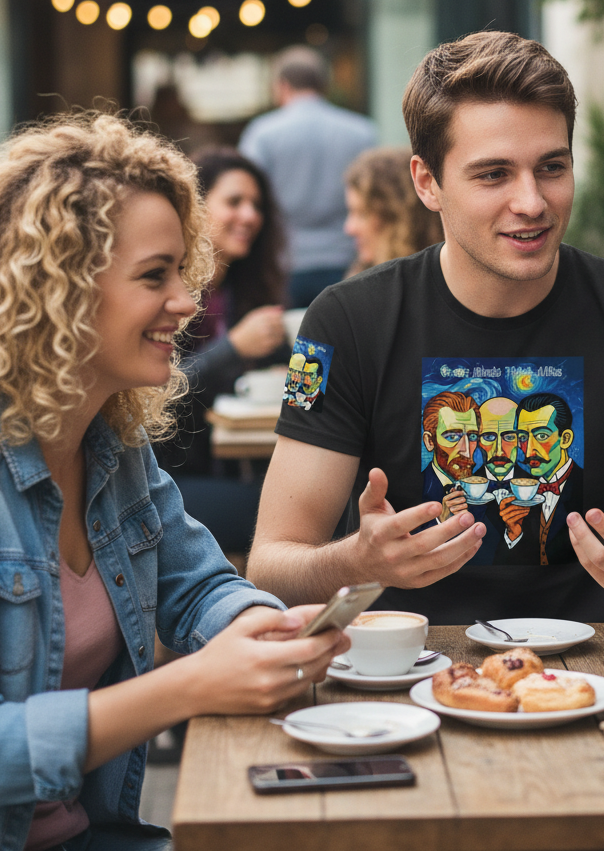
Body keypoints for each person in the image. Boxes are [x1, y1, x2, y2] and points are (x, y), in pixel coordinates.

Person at [247, 30, 604, 625]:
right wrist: (357, 561)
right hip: (406, 673)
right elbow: (270, 565)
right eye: (493, 174)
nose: (532, 201)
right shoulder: (346, 321)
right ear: (427, 182)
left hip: (593, 667)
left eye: (551, 167)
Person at [0, 114, 347, 851]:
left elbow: (200, 583)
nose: (187, 302)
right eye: (155, 276)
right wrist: (186, 686)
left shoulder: (112, 445)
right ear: (57, 290)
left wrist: (257, 625)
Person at [154, 147, 287, 555]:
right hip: (164, 474)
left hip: (225, 462)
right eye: (234, 202)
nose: (249, 216)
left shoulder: (242, 289)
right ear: (197, 206)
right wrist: (233, 349)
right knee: (286, 514)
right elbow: (155, 395)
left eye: (256, 205)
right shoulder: (169, 291)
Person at [239, 46, 377, 307]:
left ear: (282, 86)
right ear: (324, 85)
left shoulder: (262, 133)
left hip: (285, 261)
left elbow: (246, 192)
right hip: (347, 258)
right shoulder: (362, 132)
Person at [343, 146, 444, 277]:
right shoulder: (357, 285)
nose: (349, 228)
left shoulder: (440, 283)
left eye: (362, 214)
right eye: (351, 213)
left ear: (401, 218)